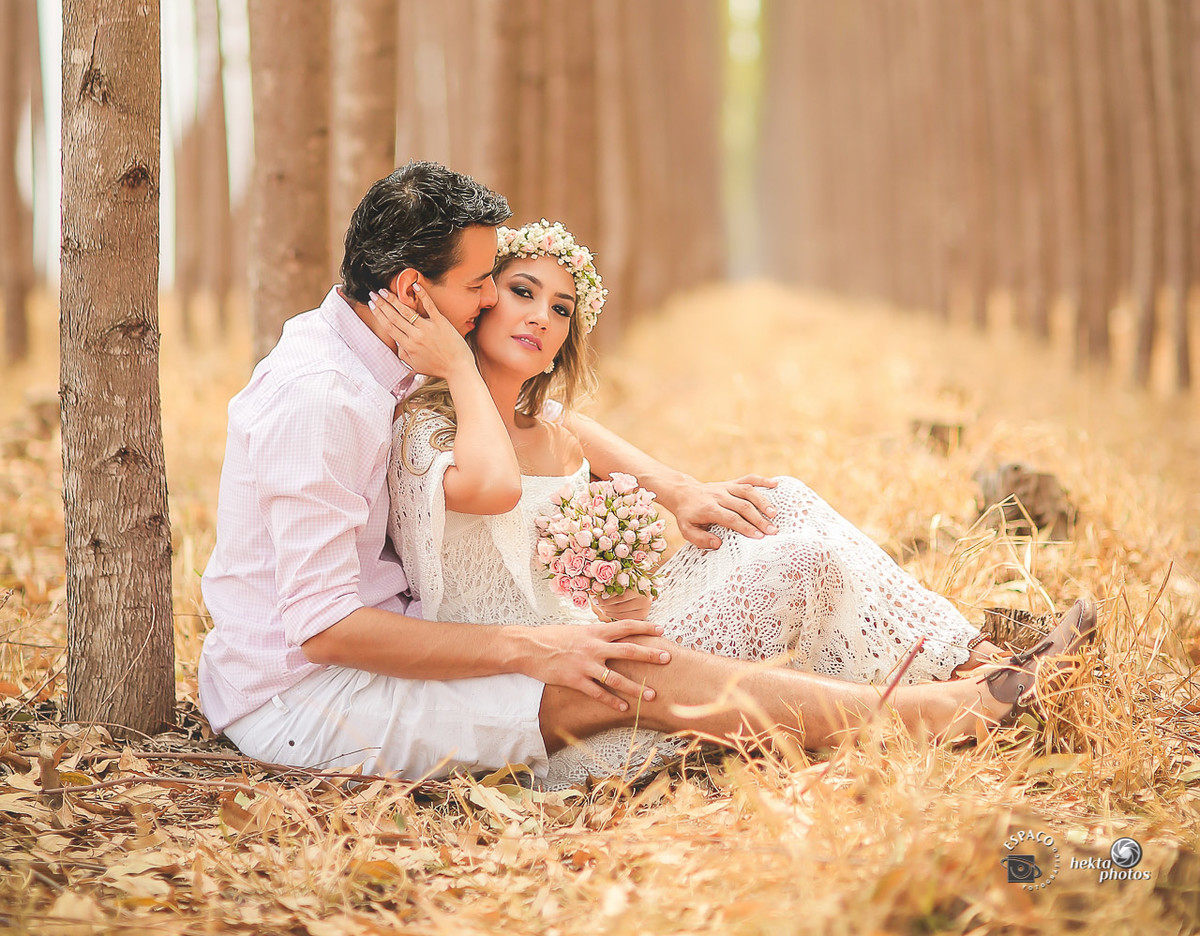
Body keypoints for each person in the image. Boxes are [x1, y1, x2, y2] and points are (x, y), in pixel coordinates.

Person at [199, 161, 1097, 782]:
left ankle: (970, 661)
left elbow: (542, 421)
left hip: (432, 637)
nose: (493, 305)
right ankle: (944, 714)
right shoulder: (326, 398)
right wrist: (539, 646)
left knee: (767, 508)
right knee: (636, 667)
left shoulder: (388, 358)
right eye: (487, 285)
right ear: (409, 292)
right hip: (308, 699)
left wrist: (669, 487)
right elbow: (324, 630)